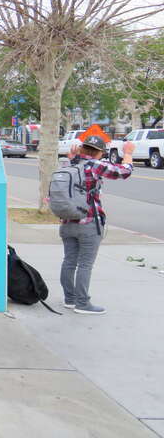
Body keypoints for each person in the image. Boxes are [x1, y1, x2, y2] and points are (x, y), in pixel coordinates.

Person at [60, 135, 134, 315]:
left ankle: (69, 299)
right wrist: (128, 154)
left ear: (83, 148)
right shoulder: (94, 165)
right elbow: (123, 172)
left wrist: (73, 157)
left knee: (69, 261)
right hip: (89, 224)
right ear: (99, 152)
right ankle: (82, 303)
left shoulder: (69, 165)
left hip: (67, 222)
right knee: (85, 264)